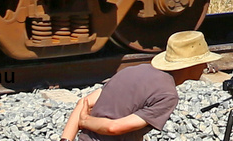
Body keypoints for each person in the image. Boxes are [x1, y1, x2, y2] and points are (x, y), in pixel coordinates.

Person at [61, 30, 220, 141]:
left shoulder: (134, 70)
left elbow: (84, 102)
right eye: (202, 61)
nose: (206, 65)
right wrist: (85, 121)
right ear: (189, 66)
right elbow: (114, 128)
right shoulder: (168, 95)